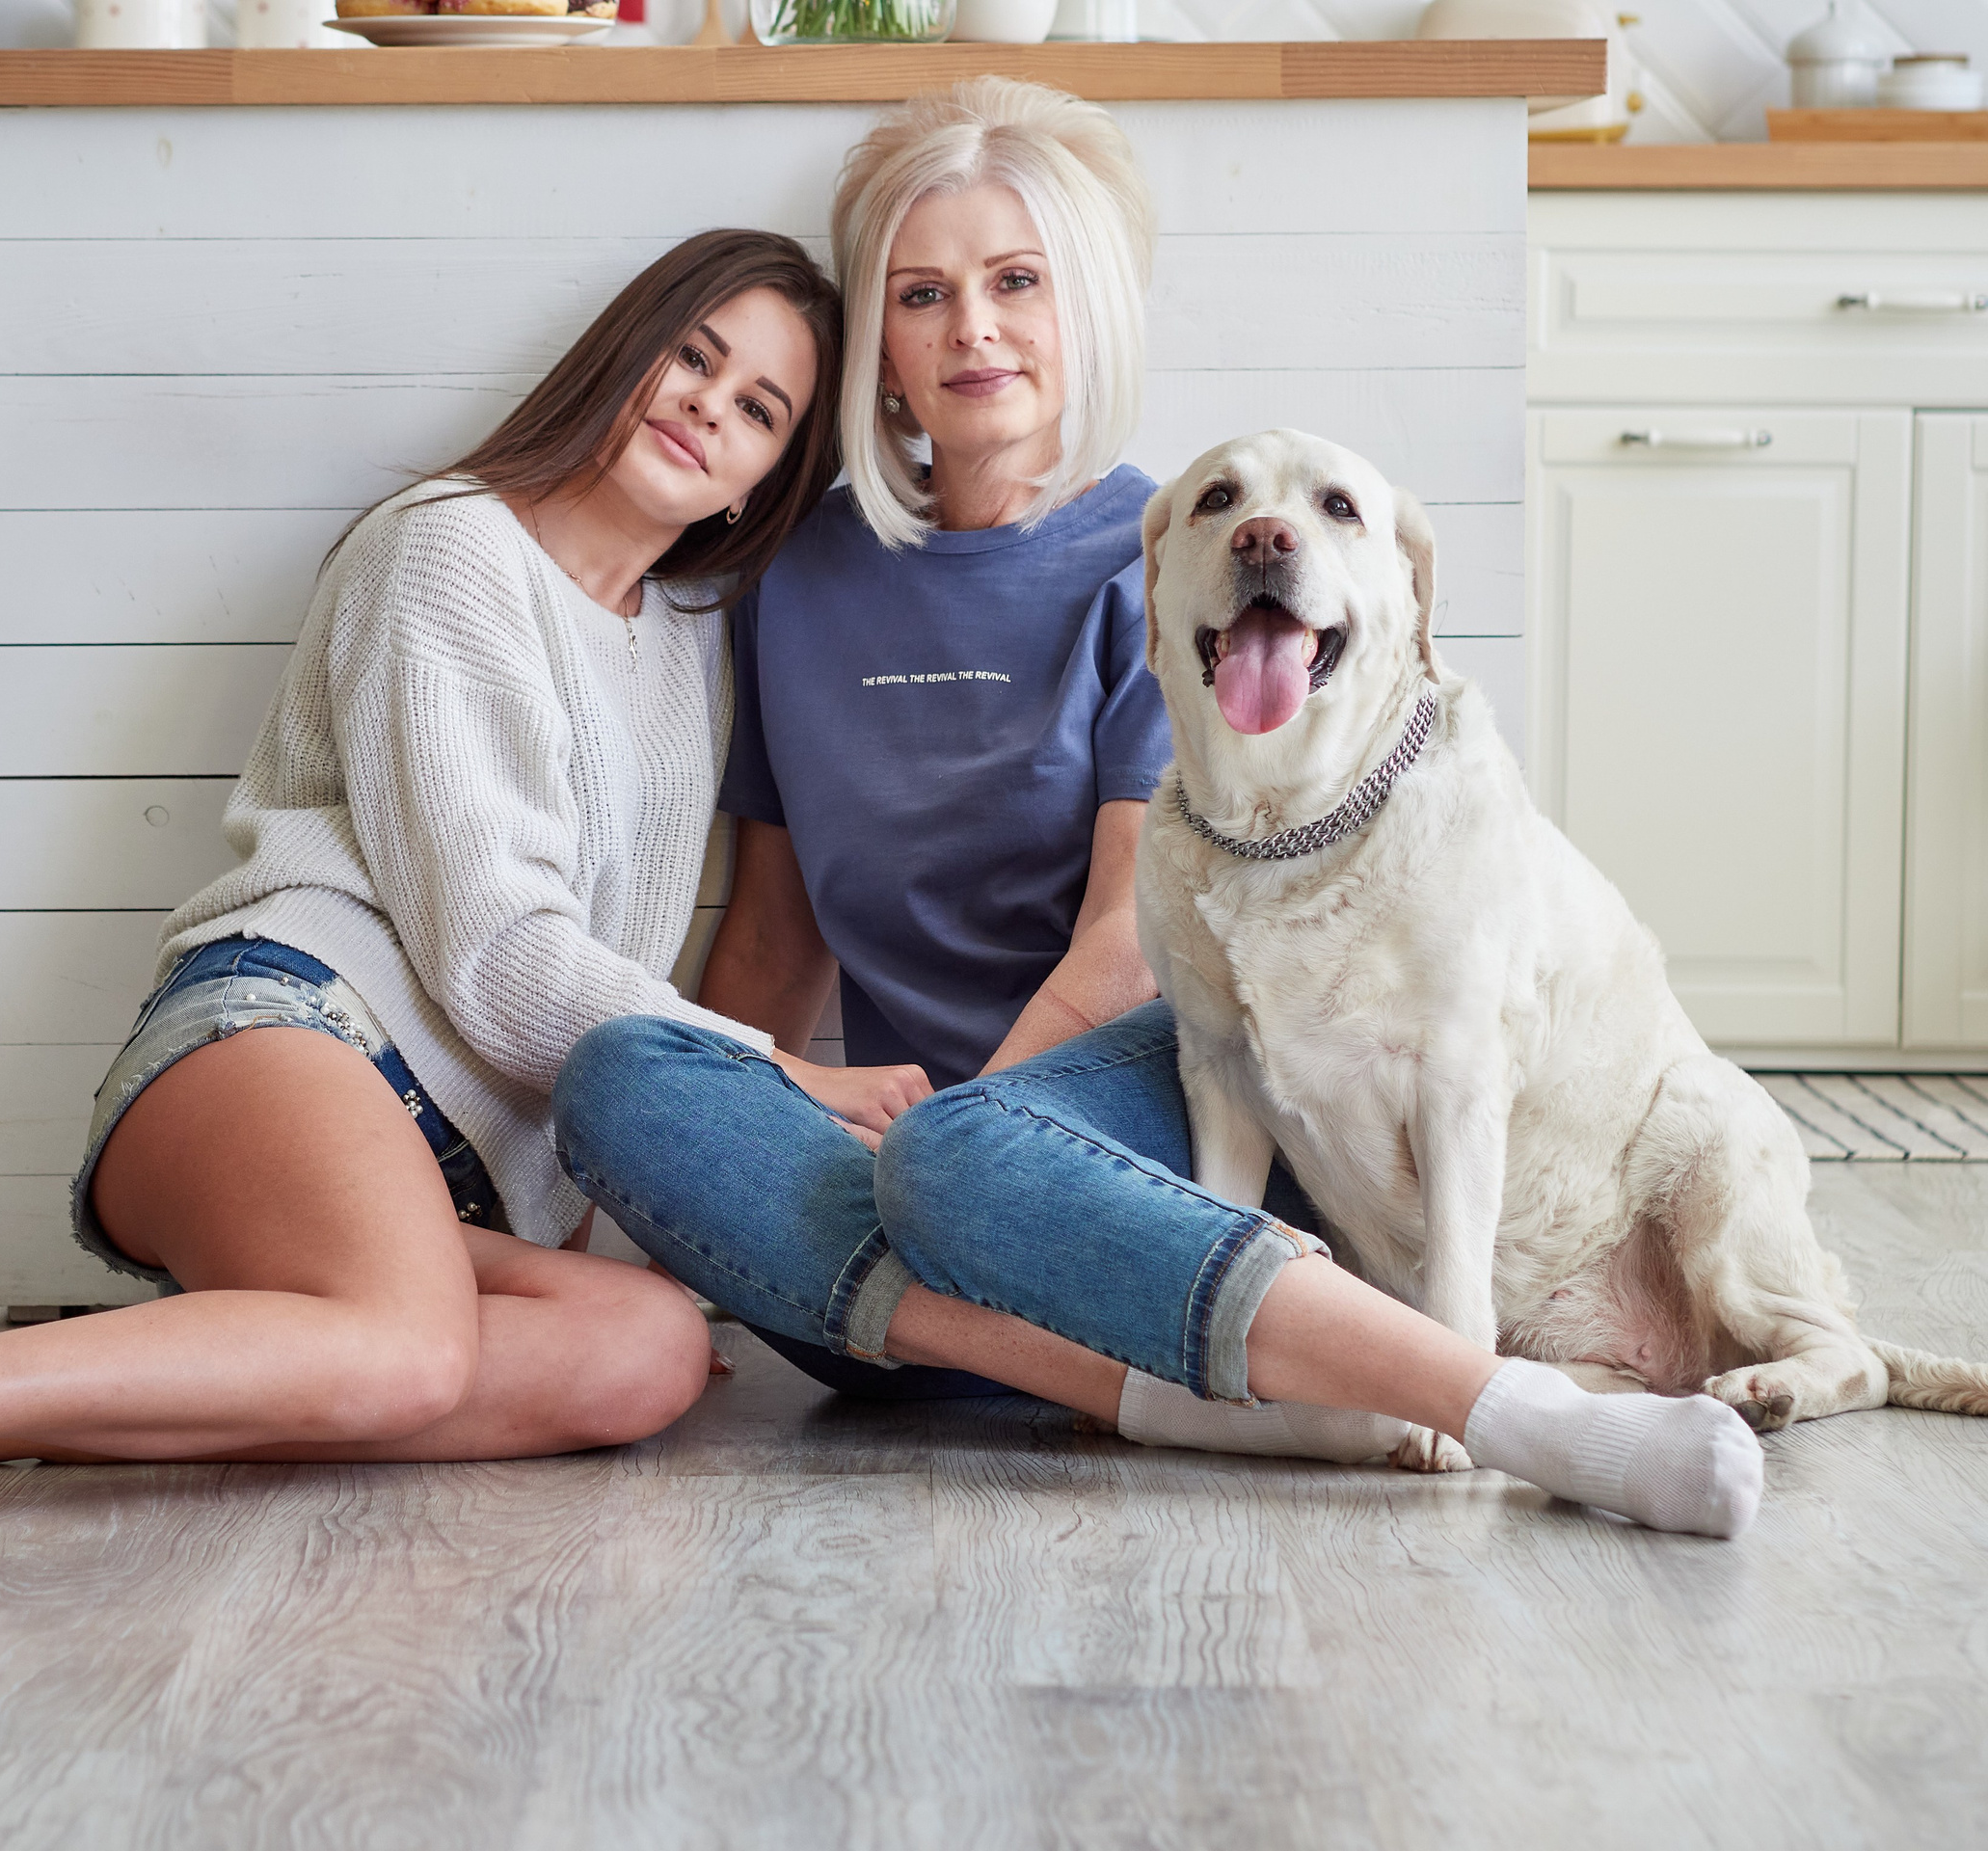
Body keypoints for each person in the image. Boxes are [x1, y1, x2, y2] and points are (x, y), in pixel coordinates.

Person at [554, 82, 1764, 1539]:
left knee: (951, 1169)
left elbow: (1129, 942)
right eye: (922, 295)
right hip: (927, 1204)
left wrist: (962, 1146)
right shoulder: (797, 581)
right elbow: (769, 943)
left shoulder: (1180, 559)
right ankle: (1235, 1402)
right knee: (624, 1073)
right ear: (875, 341)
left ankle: (1480, 1402)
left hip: (1112, 1148)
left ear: (1091, 312)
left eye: (1016, 284)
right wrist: (690, 1179)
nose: (972, 332)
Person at [0, 229, 846, 1543]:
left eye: (758, 409)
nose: (706, 405)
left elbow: (604, 965)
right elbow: (506, 961)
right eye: (693, 357)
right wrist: (770, 1081)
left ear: (761, 484)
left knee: (643, 1355)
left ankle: (228, 1361)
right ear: (624, 356)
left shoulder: (692, 649)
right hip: (292, 1036)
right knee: (411, 1354)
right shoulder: (451, 548)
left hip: (449, 1181)